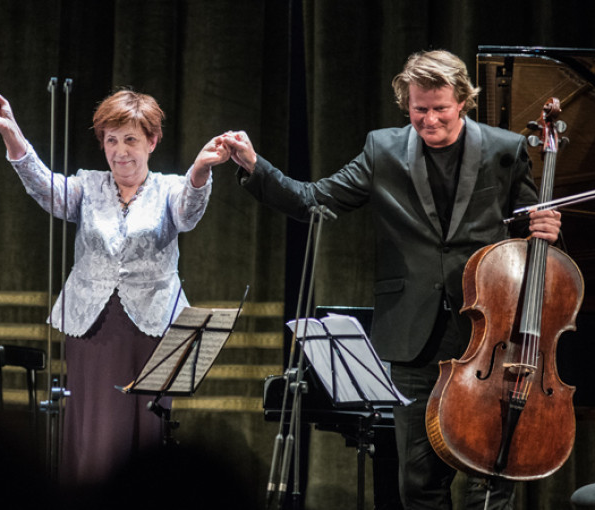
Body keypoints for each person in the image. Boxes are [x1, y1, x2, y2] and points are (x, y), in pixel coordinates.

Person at [218, 50, 562, 509]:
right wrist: (254, 165)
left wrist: (547, 230)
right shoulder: (383, 150)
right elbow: (314, 199)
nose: (430, 118)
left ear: (462, 100)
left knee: (490, 478)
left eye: (440, 108)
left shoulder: (505, 150)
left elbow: (528, 230)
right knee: (419, 481)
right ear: (406, 103)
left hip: (488, 331)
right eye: (420, 109)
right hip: (413, 337)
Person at [0, 88, 229, 486]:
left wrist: (200, 171)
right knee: (96, 434)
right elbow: (44, 187)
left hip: (155, 329)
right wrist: (10, 132)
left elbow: (188, 215)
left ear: (152, 141)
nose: (120, 151)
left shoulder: (170, 189)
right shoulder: (88, 187)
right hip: (93, 327)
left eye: (130, 140)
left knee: (145, 435)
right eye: (111, 140)